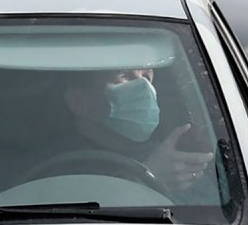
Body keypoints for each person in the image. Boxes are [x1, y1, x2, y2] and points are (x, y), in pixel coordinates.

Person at [61, 68, 213, 193]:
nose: (144, 87)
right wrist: (148, 178)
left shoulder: (172, 159)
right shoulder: (58, 170)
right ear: (78, 101)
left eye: (146, 74)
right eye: (124, 76)